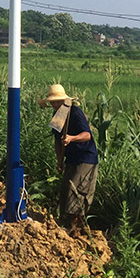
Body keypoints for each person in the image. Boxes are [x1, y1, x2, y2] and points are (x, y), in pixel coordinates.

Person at [39, 84, 98, 233]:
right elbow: (57, 142)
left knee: (76, 189)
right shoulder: (57, 116)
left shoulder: (75, 113)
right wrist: (59, 162)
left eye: (57, 102)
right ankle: (65, 222)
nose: (55, 105)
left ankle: (75, 228)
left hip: (85, 157)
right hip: (71, 158)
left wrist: (72, 138)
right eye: (53, 102)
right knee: (65, 189)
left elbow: (87, 135)